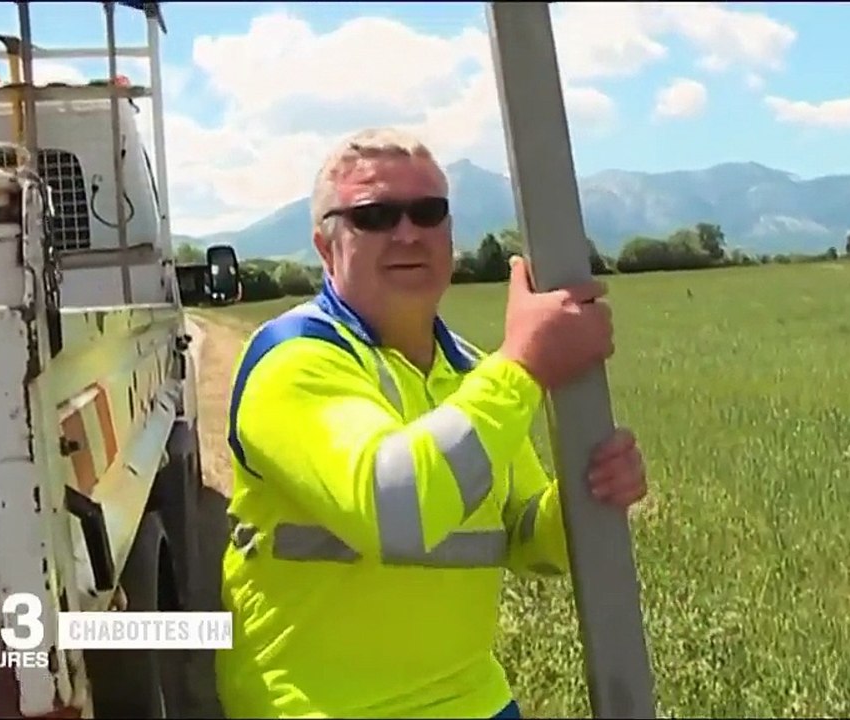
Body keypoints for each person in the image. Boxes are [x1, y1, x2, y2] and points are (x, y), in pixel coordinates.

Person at [215, 127, 649, 719]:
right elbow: (397, 509)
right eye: (374, 216)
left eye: (428, 212)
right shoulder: (292, 362)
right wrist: (523, 367)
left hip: (475, 700)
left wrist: (589, 493)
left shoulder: (471, 371)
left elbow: (526, 538)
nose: (407, 232)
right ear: (325, 246)